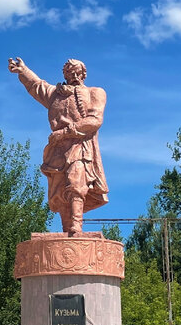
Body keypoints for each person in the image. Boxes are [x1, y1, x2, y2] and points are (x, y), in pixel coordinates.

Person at [8, 56, 109, 236]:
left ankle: (76, 227)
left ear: (83, 73)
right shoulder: (56, 94)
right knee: (59, 190)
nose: (73, 74)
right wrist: (23, 71)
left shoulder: (95, 92)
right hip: (57, 148)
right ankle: (67, 230)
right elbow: (37, 86)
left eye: (77, 70)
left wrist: (66, 132)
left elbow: (94, 120)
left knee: (76, 183)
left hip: (80, 144)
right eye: (69, 71)